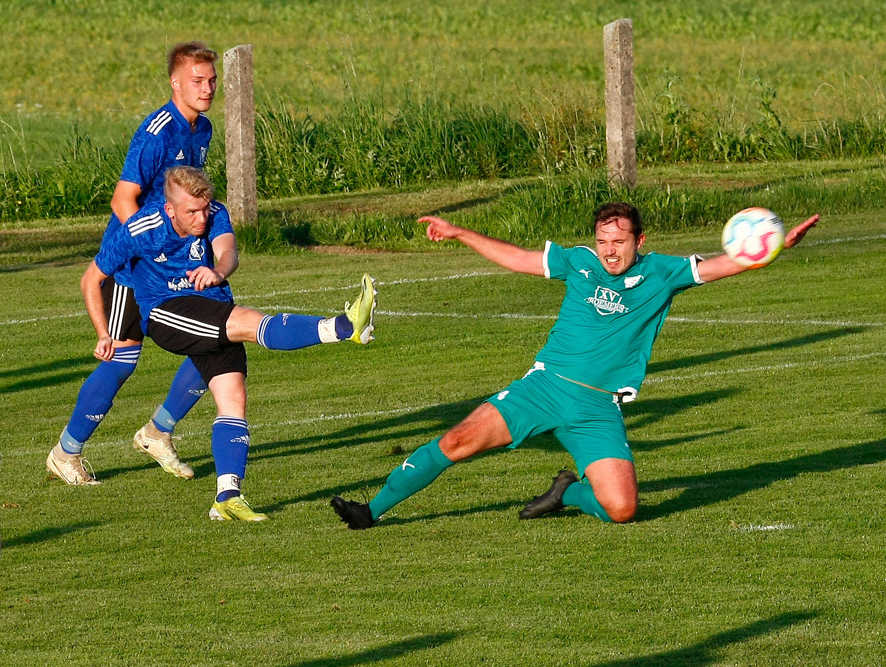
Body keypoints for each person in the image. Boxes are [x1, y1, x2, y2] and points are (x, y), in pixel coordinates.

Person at [331, 203, 819, 529]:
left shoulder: (664, 272)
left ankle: (568, 493)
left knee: (623, 509)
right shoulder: (578, 262)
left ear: (639, 240)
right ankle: (371, 511)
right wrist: (459, 232)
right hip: (543, 388)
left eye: (620, 242)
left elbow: (726, 264)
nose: (610, 250)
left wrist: (774, 248)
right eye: (604, 240)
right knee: (456, 441)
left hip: (597, 409)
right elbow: (519, 259)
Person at [84, 166, 377, 521]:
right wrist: (103, 333)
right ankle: (343, 327)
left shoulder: (215, 214)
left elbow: (228, 252)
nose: (201, 218)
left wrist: (218, 272)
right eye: (191, 211)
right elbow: (92, 279)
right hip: (166, 313)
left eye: (204, 209)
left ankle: (227, 497)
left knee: (233, 400)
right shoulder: (141, 228)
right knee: (250, 322)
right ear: (169, 209)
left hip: (211, 309)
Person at [48, 41, 222, 485]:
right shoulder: (156, 131)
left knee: (214, 341)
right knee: (122, 360)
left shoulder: (202, 130)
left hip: (176, 261)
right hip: (133, 265)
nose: (206, 88)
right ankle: (66, 452)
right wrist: (153, 249)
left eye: (212, 80)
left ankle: (157, 432)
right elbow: (123, 199)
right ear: (175, 82)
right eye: (197, 81)